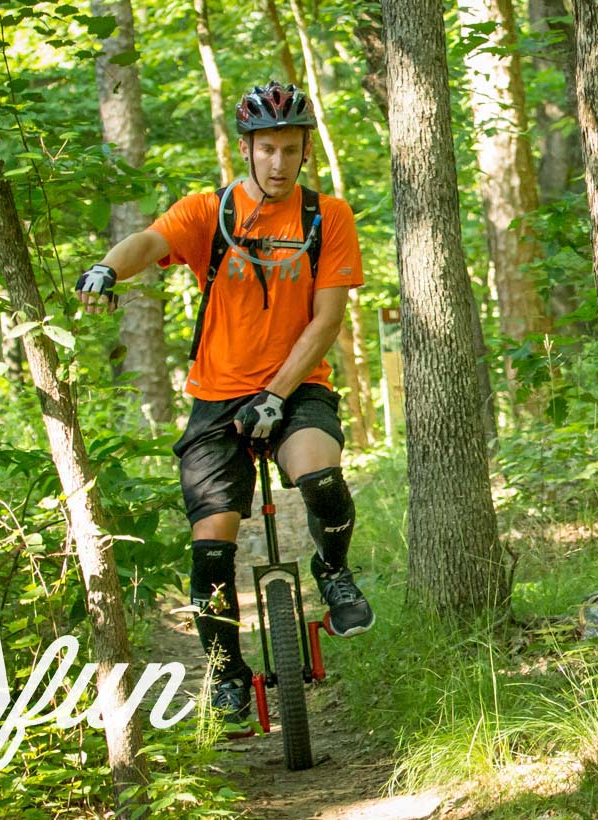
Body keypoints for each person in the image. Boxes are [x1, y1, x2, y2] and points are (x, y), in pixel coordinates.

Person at [74, 81, 373, 725]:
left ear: (303, 152)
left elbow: (325, 322)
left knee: (320, 475)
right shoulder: (211, 212)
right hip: (216, 395)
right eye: (267, 149)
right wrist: (105, 269)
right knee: (212, 544)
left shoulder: (328, 217)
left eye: (291, 150)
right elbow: (149, 242)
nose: (278, 162)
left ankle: (333, 569)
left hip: (296, 385)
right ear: (247, 148)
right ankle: (225, 671)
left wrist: (275, 394)